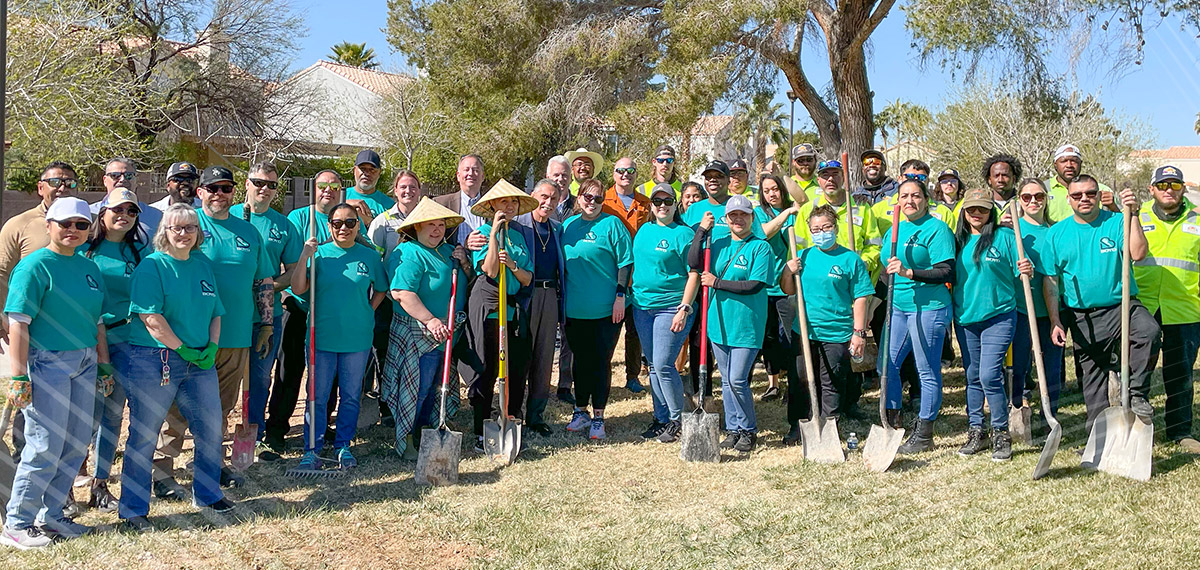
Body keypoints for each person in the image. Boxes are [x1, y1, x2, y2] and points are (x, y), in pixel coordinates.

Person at [153, 166, 275, 497]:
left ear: (235, 192)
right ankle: (162, 471)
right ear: (200, 192)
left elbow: (263, 280)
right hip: (189, 337)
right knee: (177, 406)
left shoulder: (248, 233)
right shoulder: (186, 227)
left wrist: (266, 323)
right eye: (212, 188)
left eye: (226, 188)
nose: (219, 194)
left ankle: (211, 464)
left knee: (220, 406)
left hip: (235, 335)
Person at [1, 197, 108, 547]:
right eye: (65, 223)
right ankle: (17, 523)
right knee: (44, 445)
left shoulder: (89, 267)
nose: (73, 230)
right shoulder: (34, 267)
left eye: (81, 224)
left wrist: (104, 364)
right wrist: (18, 377)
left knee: (76, 443)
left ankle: (52, 516)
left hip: (85, 362)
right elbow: (19, 324)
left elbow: (98, 321)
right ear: (49, 225)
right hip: (47, 363)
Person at [119, 204, 233, 532]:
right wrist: (181, 348)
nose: (184, 233)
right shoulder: (152, 266)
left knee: (210, 428)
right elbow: (150, 318)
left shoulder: (202, 265)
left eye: (190, 228)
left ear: (198, 233)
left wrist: (212, 347)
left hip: (200, 361)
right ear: (164, 232)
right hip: (156, 359)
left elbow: (216, 311)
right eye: (177, 228)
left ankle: (208, 494)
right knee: (145, 433)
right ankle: (133, 509)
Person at [1043, 175, 1160, 436]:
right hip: (1082, 315)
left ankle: (1136, 393)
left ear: (1099, 195)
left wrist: (1133, 215)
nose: (1084, 199)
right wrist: (1055, 320)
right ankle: (1098, 438)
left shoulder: (1118, 221)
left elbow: (1139, 253)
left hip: (1122, 306)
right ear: (1068, 199)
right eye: (1077, 195)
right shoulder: (1057, 233)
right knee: (1093, 377)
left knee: (1149, 332)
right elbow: (1050, 281)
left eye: (1090, 193)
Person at [290, 203, 388, 471]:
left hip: (357, 338)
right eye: (337, 223)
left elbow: (381, 288)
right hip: (321, 337)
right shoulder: (319, 255)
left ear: (358, 226)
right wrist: (304, 255)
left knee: (351, 395)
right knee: (317, 396)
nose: (343, 228)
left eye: (350, 222)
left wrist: (368, 310)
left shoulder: (369, 257)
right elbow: (298, 288)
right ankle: (312, 449)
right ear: (329, 226)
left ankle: (343, 445)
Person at [0, 161, 80, 485]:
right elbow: (1, 272)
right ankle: (25, 474)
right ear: (40, 187)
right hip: (31, 335)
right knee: (32, 412)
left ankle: (66, 482)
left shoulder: (82, 223)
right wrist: (3, 318)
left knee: (71, 415)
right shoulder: (20, 225)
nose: (63, 187)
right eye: (56, 181)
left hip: (76, 338)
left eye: (70, 182)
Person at [80, 189, 152, 512]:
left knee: (112, 414)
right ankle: (66, 486)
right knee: (83, 416)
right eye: (117, 209)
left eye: (131, 211)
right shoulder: (84, 250)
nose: (124, 215)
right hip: (86, 341)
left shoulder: (139, 252)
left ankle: (100, 484)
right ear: (103, 213)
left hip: (125, 341)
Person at [793, 159, 882, 418]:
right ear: (819, 179)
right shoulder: (808, 210)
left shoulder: (861, 208)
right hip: (816, 295)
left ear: (843, 177)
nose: (830, 179)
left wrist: (859, 264)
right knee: (810, 371)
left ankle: (847, 406)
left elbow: (875, 244)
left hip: (850, 288)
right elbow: (797, 250)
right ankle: (807, 418)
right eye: (825, 175)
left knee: (843, 360)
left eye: (835, 174)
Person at [779, 205, 872, 445]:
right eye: (816, 229)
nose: (821, 232)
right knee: (800, 380)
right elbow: (788, 290)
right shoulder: (803, 256)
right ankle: (798, 426)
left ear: (835, 228)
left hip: (836, 332)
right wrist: (788, 271)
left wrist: (858, 333)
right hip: (805, 330)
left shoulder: (850, 260)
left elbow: (861, 297)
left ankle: (828, 426)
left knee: (832, 380)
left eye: (826, 227)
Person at [951, 188, 1033, 461]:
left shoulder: (1006, 237)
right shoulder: (957, 241)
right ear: (964, 212)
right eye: (972, 209)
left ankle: (1000, 432)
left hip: (999, 315)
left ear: (991, 212)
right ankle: (977, 430)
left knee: (988, 375)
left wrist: (1027, 269)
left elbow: (1024, 268)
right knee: (973, 376)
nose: (977, 213)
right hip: (965, 318)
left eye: (983, 209)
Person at [386, 198, 472, 455]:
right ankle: (408, 437)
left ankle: (428, 429)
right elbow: (402, 293)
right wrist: (431, 320)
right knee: (418, 389)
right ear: (416, 227)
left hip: (446, 335)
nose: (437, 230)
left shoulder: (448, 251)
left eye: (441, 225)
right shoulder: (408, 252)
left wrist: (464, 263)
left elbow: (467, 281)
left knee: (435, 387)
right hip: (420, 335)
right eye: (430, 225)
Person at [689, 194, 774, 453]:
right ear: (726, 219)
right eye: (733, 215)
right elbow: (693, 262)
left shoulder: (760, 247)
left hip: (746, 324)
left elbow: (754, 284)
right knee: (726, 380)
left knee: (737, 379)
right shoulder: (717, 242)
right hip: (718, 322)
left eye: (743, 215)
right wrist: (701, 231)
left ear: (752, 218)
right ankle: (733, 428)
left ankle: (748, 429)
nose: (738, 219)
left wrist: (717, 282)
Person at [264, 170, 342, 452]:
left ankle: (321, 424)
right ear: (314, 188)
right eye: (323, 185)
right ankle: (277, 428)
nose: (328, 190)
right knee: (289, 370)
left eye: (334, 186)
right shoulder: (299, 218)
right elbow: (291, 263)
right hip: (298, 306)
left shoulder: (344, 219)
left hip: (329, 309)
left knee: (327, 373)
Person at [229, 162, 302, 459]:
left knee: (259, 378)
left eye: (271, 185)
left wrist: (267, 286)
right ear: (247, 184)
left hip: (267, 317)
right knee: (223, 378)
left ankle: (255, 434)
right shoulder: (228, 215)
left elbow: (293, 270)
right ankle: (212, 436)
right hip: (229, 316)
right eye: (259, 182)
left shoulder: (283, 225)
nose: (265, 189)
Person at [882, 178, 956, 454]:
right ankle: (892, 421)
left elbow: (946, 271)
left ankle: (924, 432)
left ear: (926, 200)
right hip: (898, 306)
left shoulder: (937, 229)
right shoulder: (895, 229)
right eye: (904, 196)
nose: (909, 201)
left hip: (929, 307)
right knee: (886, 365)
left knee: (926, 369)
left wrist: (909, 272)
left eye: (915, 196)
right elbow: (886, 268)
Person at [1132, 165, 1200, 452]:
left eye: (1174, 184)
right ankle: (1137, 430)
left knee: (1180, 374)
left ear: (1184, 188)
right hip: (1143, 307)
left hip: (1185, 308)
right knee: (1139, 372)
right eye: (1162, 185)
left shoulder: (1198, 219)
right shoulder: (1136, 216)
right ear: (1152, 189)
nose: (1168, 190)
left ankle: (1180, 431)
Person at [465, 180, 536, 450]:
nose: (509, 206)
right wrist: (494, 233)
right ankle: (481, 429)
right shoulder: (482, 234)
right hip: (489, 308)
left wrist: (514, 266)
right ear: (492, 206)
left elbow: (527, 278)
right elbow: (491, 270)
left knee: (517, 368)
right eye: (503, 201)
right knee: (486, 368)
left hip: (513, 307)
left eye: (513, 201)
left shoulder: (518, 236)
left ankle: (511, 420)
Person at [562, 179, 633, 440]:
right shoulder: (567, 226)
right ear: (579, 197)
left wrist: (620, 296)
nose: (592, 203)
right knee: (580, 361)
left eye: (598, 198)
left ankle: (599, 416)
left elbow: (626, 263)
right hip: (574, 309)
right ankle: (580, 411)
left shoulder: (612, 224)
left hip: (607, 309)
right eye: (587, 197)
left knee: (601, 362)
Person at [631, 183, 700, 442]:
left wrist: (684, 307)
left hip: (671, 306)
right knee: (652, 365)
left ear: (675, 204)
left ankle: (677, 419)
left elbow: (694, 274)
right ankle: (660, 418)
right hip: (642, 306)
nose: (662, 206)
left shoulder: (684, 234)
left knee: (663, 364)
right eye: (657, 201)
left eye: (667, 201)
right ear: (651, 205)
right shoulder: (644, 230)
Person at [366, 169, 424, 427]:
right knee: (386, 353)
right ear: (395, 191)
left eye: (412, 187)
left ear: (419, 191)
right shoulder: (383, 222)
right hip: (389, 300)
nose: (408, 191)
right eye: (403, 187)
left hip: (420, 299)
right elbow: (373, 259)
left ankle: (412, 403)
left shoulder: (428, 218)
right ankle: (387, 406)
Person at [511, 181, 568, 434]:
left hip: (550, 295)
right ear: (532, 196)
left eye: (554, 198)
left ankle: (536, 415)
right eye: (544, 196)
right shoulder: (518, 225)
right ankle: (514, 414)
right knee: (521, 357)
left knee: (545, 358)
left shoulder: (557, 228)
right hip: (525, 296)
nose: (548, 202)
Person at [1008, 179, 1065, 427]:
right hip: (1020, 309)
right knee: (1018, 365)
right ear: (1019, 200)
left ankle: (1049, 415)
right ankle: (1016, 411)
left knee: (1052, 367)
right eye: (1027, 197)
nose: (1033, 201)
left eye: (1039, 196)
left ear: (1046, 199)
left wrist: (1056, 319)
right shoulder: (1011, 231)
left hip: (1051, 311)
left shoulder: (1056, 231)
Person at [680, 161, 731, 399]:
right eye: (709, 176)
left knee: (726, 339)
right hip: (700, 283)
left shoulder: (736, 206)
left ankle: (733, 389)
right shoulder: (694, 210)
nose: (713, 180)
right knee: (698, 341)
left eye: (718, 176)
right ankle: (702, 392)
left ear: (728, 180)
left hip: (728, 285)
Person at [603, 157, 652, 394]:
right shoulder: (603, 200)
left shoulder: (646, 203)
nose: (626, 174)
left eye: (630, 170)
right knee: (609, 330)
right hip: (610, 275)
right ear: (614, 174)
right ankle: (602, 374)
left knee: (635, 331)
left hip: (639, 276)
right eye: (621, 170)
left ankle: (633, 376)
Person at [753, 174, 799, 402]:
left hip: (788, 286)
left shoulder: (797, 212)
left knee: (790, 337)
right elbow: (763, 232)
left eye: (775, 189)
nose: (771, 194)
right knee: (769, 337)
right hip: (765, 286)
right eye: (766, 190)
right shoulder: (759, 213)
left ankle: (794, 383)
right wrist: (786, 214)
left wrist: (793, 210)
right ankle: (773, 384)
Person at [91, 157, 163, 234]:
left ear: (136, 180)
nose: (122, 179)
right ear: (105, 180)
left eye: (129, 175)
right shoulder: (89, 213)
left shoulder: (157, 216)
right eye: (115, 175)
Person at [432, 154, 490, 248]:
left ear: (482, 176)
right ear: (458, 176)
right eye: (466, 170)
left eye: (475, 170)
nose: (470, 173)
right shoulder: (441, 204)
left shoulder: (491, 205)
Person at [1044, 144, 1114, 222]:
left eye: (1074, 161)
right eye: (1064, 161)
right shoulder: (1043, 189)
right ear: (1055, 165)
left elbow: (1122, 220)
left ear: (1080, 163)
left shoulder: (1102, 189)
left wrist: (1113, 206)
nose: (1069, 165)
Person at [345, 149, 394, 224]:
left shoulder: (389, 205)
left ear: (379, 173)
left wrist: (369, 221)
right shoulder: (338, 196)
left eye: (372, 170)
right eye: (362, 169)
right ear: (354, 170)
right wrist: (344, 204)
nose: (367, 174)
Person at [545, 155, 576, 223]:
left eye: (564, 175)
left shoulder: (578, 205)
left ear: (570, 177)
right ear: (547, 177)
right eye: (556, 175)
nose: (560, 179)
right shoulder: (540, 205)